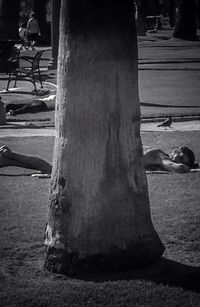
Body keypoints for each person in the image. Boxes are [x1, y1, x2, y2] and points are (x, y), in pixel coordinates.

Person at [0, 145, 198, 175]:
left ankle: (10, 157)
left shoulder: (161, 157)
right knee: (51, 167)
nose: (176, 153)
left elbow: (177, 168)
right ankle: (9, 159)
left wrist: (186, 167)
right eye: (178, 150)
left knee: (51, 167)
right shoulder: (160, 153)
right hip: (107, 157)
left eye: (181, 155)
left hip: (106, 163)